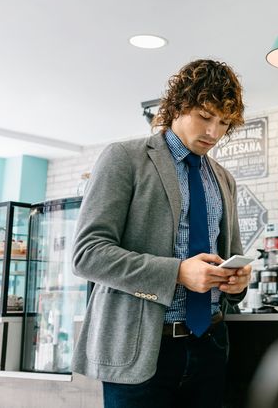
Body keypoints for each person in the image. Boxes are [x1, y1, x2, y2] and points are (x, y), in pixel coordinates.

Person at [71, 59, 252, 408]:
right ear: (178, 105)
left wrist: (238, 282)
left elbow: (231, 253)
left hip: (210, 344)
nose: (213, 132)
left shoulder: (224, 179)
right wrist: (177, 273)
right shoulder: (125, 158)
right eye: (205, 115)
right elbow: (87, 254)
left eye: (223, 123)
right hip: (142, 349)